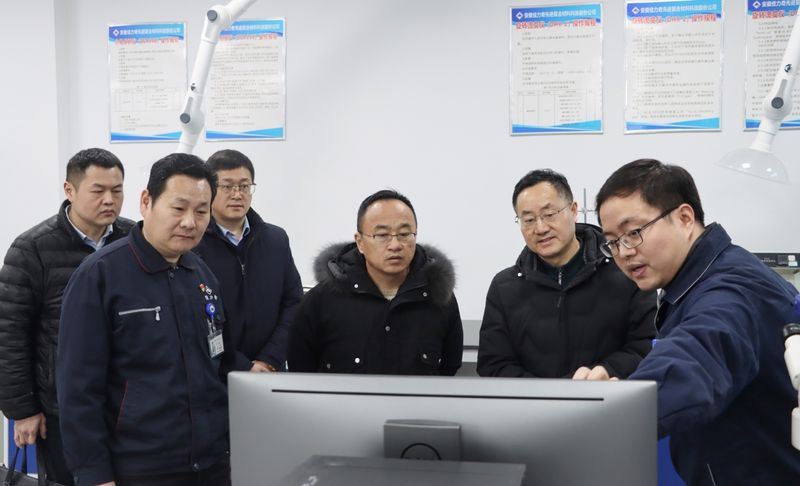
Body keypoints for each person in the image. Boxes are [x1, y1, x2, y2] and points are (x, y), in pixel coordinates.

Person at [595, 158, 800, 485]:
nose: (624, 251)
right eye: (612, 241)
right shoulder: (697, 279)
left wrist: (617, 408)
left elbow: (697, 355)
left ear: (684, 218)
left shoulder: (732, 289)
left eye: (633, 233)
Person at [56, 153, 230, 486]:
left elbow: (218, 361)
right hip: (139, 468)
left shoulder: (201, 274)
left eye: (201, 211)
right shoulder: (100, 275)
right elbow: (78, 389)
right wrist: (94, 475)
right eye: (178, 208)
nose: (190, 222)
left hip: (210, 464)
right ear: (146, 201)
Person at [0, 148, 132, 485]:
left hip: (129, 404)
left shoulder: (135, 240)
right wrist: (23, 411)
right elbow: (10, 335)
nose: (109, 200)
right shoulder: (32, 248)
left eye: (117, 190)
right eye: (98, 190)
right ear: (69, 190)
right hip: (62, 409)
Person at [477, 169, 656, 379]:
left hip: (607, 394)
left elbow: (646, 345)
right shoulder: (504, 287)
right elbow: (493, 363)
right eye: (529, 220)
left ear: (573, 210)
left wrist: (604, 373)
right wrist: (547, 393)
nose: (541, 228)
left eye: (549, 214)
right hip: (534, 400)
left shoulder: (625, 271)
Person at [288, 189, 463, 375]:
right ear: (360, 242)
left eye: (404, 234)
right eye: (382, 235)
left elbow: (449, 367)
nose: (395, 245)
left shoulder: (439, 297)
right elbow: (302, 369)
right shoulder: (322, 300)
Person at [194, 149, 303, 375]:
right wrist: (242, 366)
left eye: (244, 186)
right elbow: (195, 318)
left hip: (271, 369)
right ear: (210, 190)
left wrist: (270, 359)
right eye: (227, 186)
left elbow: (293, 303)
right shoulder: (193, 244)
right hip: (214, 373)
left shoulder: (276, 240)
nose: (237, 194)